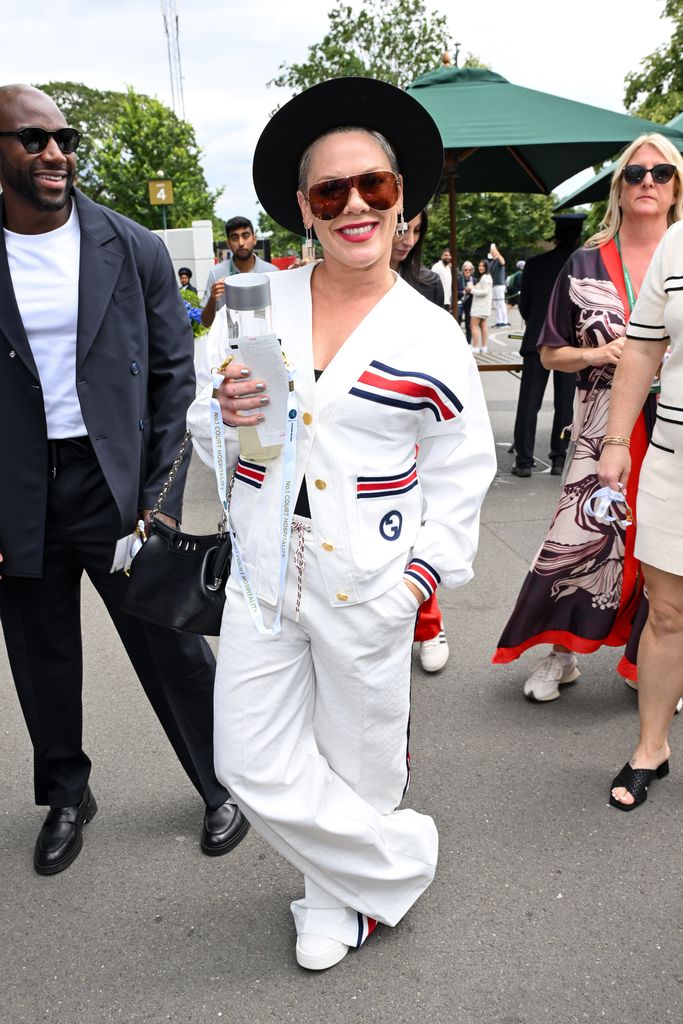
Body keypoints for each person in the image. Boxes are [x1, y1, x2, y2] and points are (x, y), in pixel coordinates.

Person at [189, 77, 496, 971]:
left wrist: (420, 579)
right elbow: (211, 440)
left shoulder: (430, 333)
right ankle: (397, 860)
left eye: (375, 187)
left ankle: (339, 898)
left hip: (371, 572)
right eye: (332, 191)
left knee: (359, 755)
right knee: (246, 757)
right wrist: (221, 408)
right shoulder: (253, 305)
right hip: (261, 568)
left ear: (400, 198)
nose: (355, 206)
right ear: (303, 209)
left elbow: (461, 470)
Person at [0, 84, 248, 875]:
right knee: (41, 654)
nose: (55, 154)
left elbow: (177, 376)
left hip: (115, 483)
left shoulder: (129, 245)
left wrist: (158, 497)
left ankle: (222, 782)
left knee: (167, 639)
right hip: (19, 489)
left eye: (64, 139)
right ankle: (67, 795)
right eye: (33, 140)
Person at [493, 133, 683, 703]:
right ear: (619, 189)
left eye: (662, 172)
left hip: (673, 426)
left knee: (665, 547)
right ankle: (562, 652)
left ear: (677, 188)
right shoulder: (583, 263)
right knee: (583, 537)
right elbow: (549, 353)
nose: (648, 182)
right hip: (603, 426)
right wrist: (603, 353)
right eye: (634, 173)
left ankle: (655, 663)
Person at [598, 218, 683, 809]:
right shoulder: (677, 243)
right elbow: (646, 345)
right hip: (675, 458)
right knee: (668, 612)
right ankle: (651, 747)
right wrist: (616, 440)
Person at [390, 209, 450, 673]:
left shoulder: (428, 282)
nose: (407, 238)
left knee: (419, 521)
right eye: (401, 227)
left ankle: (430, 623)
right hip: (364, 416)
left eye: (416, 230)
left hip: (415, 417)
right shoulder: (341, 280)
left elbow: (442, 356)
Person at [510, 215, 585, 478]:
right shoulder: (582, 264)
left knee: (529, 403)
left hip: (536, 342)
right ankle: (559, 458)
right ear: (577, 237)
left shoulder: (534, 264)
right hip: (569, 344)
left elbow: (526, 306)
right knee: (565, 404)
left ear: (555, 236)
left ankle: (524, 461)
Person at [200, 216, 278, 327]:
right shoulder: (216, 273)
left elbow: (280, 314)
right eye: (234, 238)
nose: (241, 243)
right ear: (228, 243)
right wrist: (212, 299)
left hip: (264, 339)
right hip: (228, 342)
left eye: (245, 236)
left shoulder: (272, 273)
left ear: (254, 239)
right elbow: (205, 323)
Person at [469, 259, 493, 353]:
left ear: (486, 267)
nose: (480, 267)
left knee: (473, 326)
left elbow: (485, 292)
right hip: (484, 306)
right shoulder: (485, 277)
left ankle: (475, 347)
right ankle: (483, 347)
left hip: (480, 306)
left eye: (483, 266)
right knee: (483, 326)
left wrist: (472, 290)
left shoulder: (485, 278)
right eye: (479, 266)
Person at [488, 243, 509, 326]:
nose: (492, 252)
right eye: (491, 251)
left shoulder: (499, 260)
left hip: (499, 284)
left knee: (501, 303)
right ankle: (499, 321)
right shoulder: (492, 262)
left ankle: (505, 321)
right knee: (496, 304)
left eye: (494, 251)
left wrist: (496, 251)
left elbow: (503, 261)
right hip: (493, 285)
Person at [430, 247, 453, 311]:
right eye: (446, 255)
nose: (448, 257)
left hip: (447, 301)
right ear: (441, 256)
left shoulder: (448, 268)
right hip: (438, 300)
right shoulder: (436, 267)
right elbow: (432, 283)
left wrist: (449, 300)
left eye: (449, 255)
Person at [460, 260, 475, 344]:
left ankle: (468, 342)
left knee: (469, 324)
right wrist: (464, 291)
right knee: (457, 322)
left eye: (469, 270)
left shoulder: (475, 280)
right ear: (463, 270)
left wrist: (472, 290)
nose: (467, 271)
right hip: (460, 303)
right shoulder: (459, 279)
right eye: (466, 270)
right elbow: (455, 292)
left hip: (470, 303)